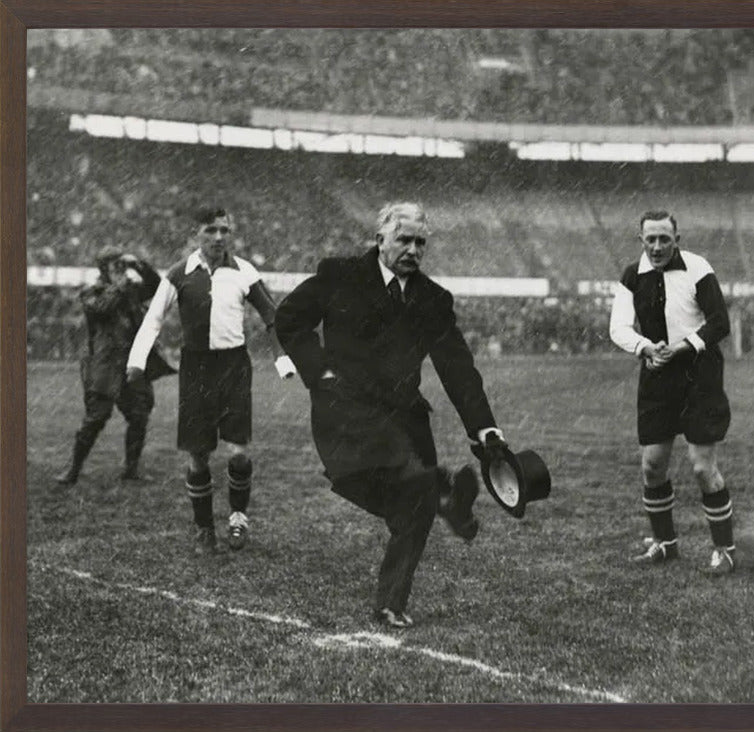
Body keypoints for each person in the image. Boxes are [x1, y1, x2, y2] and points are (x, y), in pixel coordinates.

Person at [274, 202, 507, 629]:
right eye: (404, 239)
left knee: (412, 511)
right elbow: (288, 319)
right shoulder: (339, 275)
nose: (413, 249)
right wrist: (318, 370)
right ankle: (442, 494)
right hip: (345, 410)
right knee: (400, 478)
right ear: (379, 239)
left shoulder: (433, 300)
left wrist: (484, 428)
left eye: (421, 242)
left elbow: (456, 366)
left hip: (404, 416)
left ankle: (391, 603)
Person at [126, 207, 297, 555]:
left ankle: (238, 517)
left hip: (234, 366)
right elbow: (153, 320)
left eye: (224, 230)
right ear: (196, 233)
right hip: (196, 369)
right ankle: (204, 528)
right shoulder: (179, 273)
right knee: (199, 456)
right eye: (211, 230)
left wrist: (281, 357)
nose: (219, 237)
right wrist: (136, 361)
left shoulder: (243, 271)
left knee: (238, 453)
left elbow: (271, 315)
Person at [609, 211, 734, 575]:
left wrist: (682, 347)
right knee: (652, 466)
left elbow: (719, 322)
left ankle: (724, 549)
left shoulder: (697, 268)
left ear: (677, 238)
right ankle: (665, 544)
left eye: (665, 238)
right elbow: (617, 327)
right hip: (657, 375)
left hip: (700, 375)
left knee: (701, 468)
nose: (658, 246)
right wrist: (646, 348)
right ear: (641, 240)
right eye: (651, 239)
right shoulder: (633, 275)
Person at [55, 246, 174, 486]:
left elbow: (157, 286)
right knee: (97, 417)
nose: (121, 270)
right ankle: (73, 468)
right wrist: (120, 285)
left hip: (131, 362)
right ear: (103, 269)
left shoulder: (131, 290)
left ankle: (131, 469)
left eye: (122, 265)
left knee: (139, 414)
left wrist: (138, 264)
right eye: (115, 265)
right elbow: (102, 308)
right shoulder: (91, 291)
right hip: (104, 364)